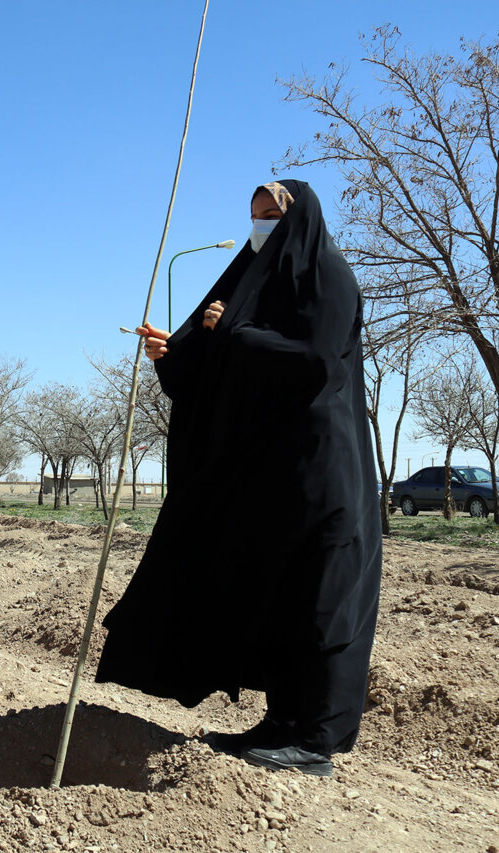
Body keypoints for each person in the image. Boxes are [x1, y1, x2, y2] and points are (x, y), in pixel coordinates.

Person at [94, 179, 382, 778]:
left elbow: (312, 360)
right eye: (254, 215)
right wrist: (172, 354)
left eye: (272, 215)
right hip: (273, 475)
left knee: (319, 597)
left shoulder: (330, 277)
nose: (261, 226)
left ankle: (316, 738)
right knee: (275, 590)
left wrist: (235, 334)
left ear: (299, 220)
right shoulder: (250, 286)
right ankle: (281, 721)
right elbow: (217, 369)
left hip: (324, 468)